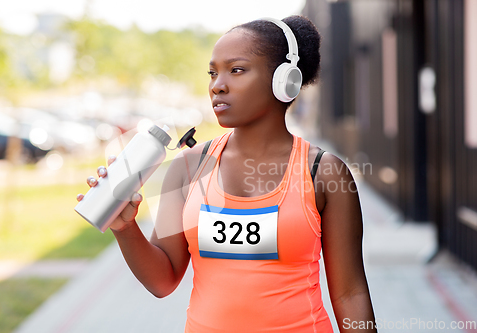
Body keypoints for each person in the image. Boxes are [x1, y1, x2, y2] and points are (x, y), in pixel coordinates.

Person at [77, 15, 377, 332]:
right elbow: (163, 281)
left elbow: (350, 293)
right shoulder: (186, 168)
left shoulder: (325, 173)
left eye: (236, 70)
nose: (217, 85)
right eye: (212, 72)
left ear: (284, 80)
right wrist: (125, 228)